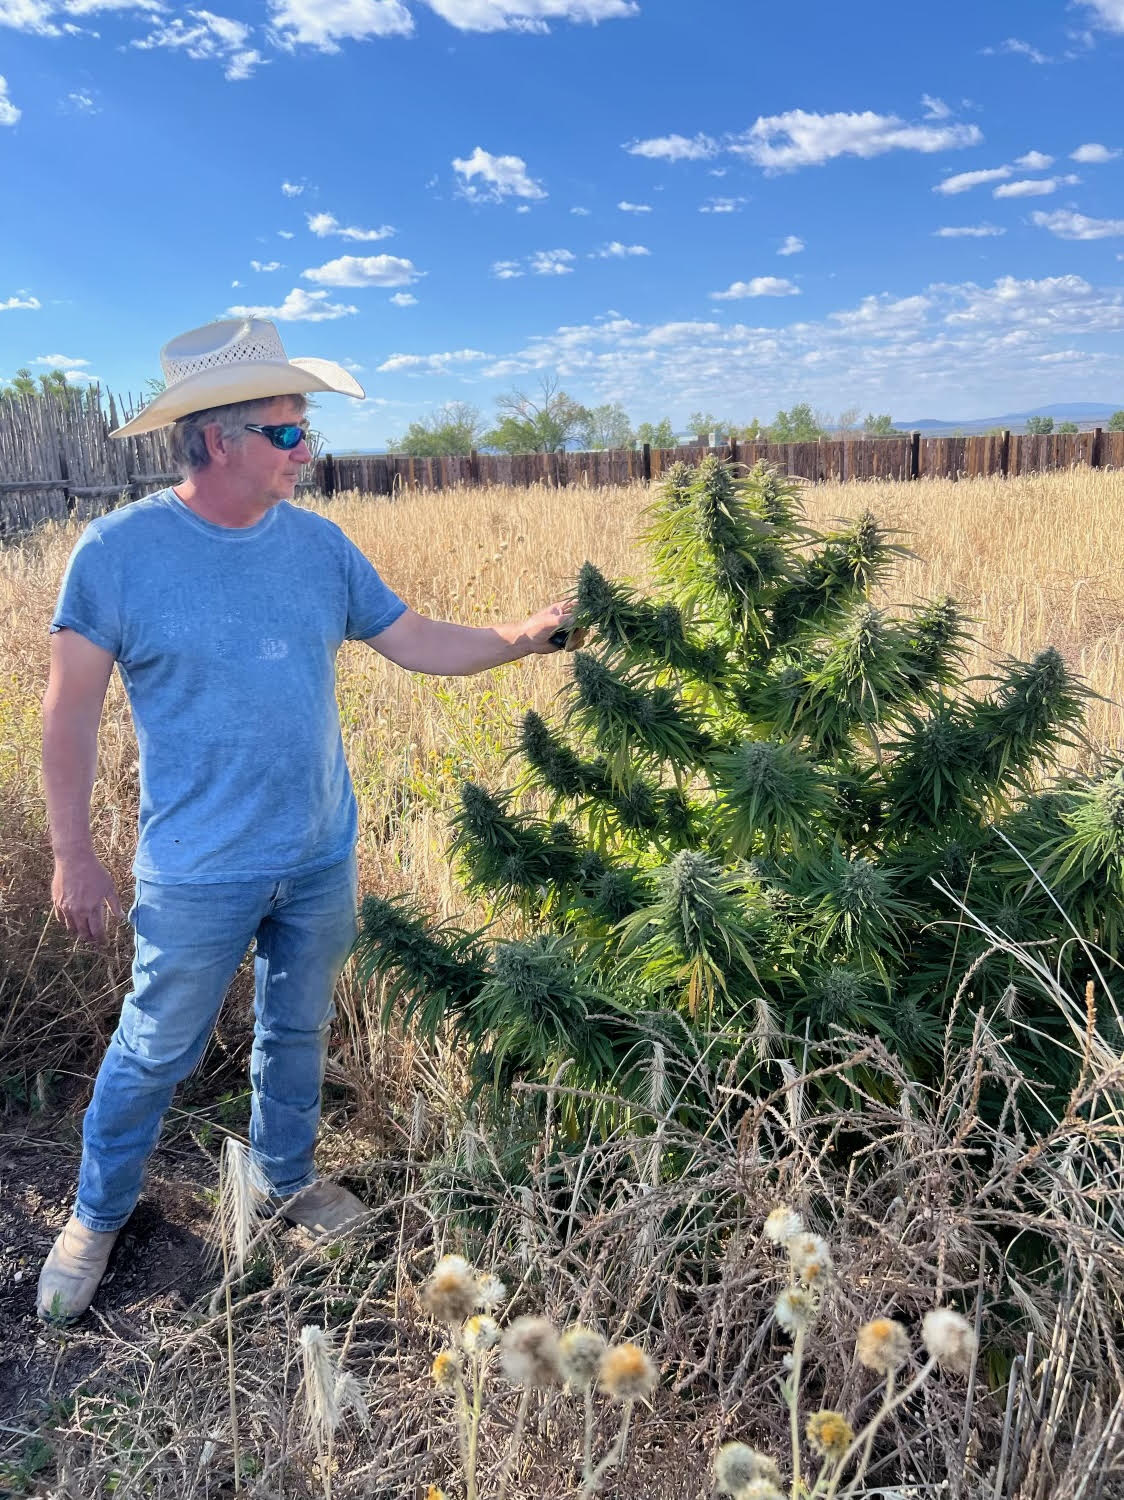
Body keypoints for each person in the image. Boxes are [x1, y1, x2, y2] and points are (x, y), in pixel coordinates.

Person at [37, 317, 584, 1323]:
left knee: (298, 1025)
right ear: (216, 439)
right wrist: (75, 856)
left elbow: (412, 639)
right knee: (155, 1046)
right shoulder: (117, 554)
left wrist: (521, 639)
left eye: (304, 429)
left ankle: (285, 1178)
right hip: (198, 870)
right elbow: (67, 710)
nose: (308, 450)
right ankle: (96, 1214)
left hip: (318, 853)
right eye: (288, 431)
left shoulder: (320, 547)